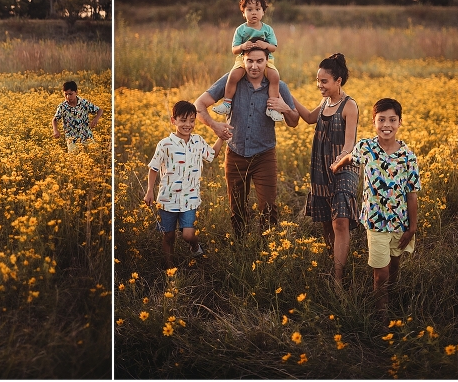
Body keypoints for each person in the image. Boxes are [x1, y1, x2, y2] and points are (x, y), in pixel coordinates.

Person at [195, 45, 299, 237]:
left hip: (264, 155)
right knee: (237, 210)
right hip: (235, 154)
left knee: (268, 208)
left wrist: (285, 108)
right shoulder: (231, 81)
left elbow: (294, 122)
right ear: (242, 60)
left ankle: (266, 250)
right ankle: (241, 247)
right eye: (250, 60)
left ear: (267, 61)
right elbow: (198, 105)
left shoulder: (279, 86)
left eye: (259, 61)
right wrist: (213, 125)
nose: (254, 66)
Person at [332, 98, 419, 321]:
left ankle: (392, 294)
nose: (386, 125)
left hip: (400, 222)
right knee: (380, 274)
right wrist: (339, 164)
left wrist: (412, 227)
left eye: (392, 120)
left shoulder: (408, 157)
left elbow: (412, 193)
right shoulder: (366, 147)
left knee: (395, 264)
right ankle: (382, 315)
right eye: (381, 120)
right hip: (375, 222)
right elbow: (352, 156)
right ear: (374, 122)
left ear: (400, 122)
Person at [292, 53, 360, 286]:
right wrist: (288, 100)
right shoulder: (325, 103)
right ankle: (335, 261)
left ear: (338, 81)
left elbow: (349, 144)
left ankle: (338, 279)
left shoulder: (349, 105)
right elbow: (310, 118)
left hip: (344, 168)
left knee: (340, 221)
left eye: (324, 81)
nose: (319, 85)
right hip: (321, 167)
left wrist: (340, 159)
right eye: (318, 81)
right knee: (325, 221)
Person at [144, 101, 224, 266]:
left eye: (192, 121)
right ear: (173, 120)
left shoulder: (198, 141)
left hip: (190, 199)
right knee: (169, 236)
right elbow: (153, 168)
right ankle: (170, 267)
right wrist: (149, 190)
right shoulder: (165, 144)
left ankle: (194, 246)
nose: (188, 125)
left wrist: (221, 137)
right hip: (167, 199)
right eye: (183, 120)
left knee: (188, 235)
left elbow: (212, 154)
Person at [212, 0, 284, 122]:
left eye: (257, 9)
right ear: (243, 13)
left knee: (274, 76)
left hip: (265, 60)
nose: (254, 12)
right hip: (244, 59)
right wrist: (242, 47)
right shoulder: (241, 29)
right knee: (233, 75)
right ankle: (227, 103)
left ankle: (272, 108)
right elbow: (234, 49)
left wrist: (265, 46)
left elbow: (273, 47)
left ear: (263, 12)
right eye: (249, 9)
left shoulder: (267, 29)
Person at [52, 80, 103, 152]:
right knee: (74, 161)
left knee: (95, 155)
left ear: (76, 92)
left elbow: (100, 110)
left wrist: (96, 119)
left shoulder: (83, 103)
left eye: (70, 94)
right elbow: (54, 119)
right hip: (72, 139)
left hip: (86, 136)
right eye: (65, 94)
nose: (68, 97)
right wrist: (55, 130)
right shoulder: (62, 106)